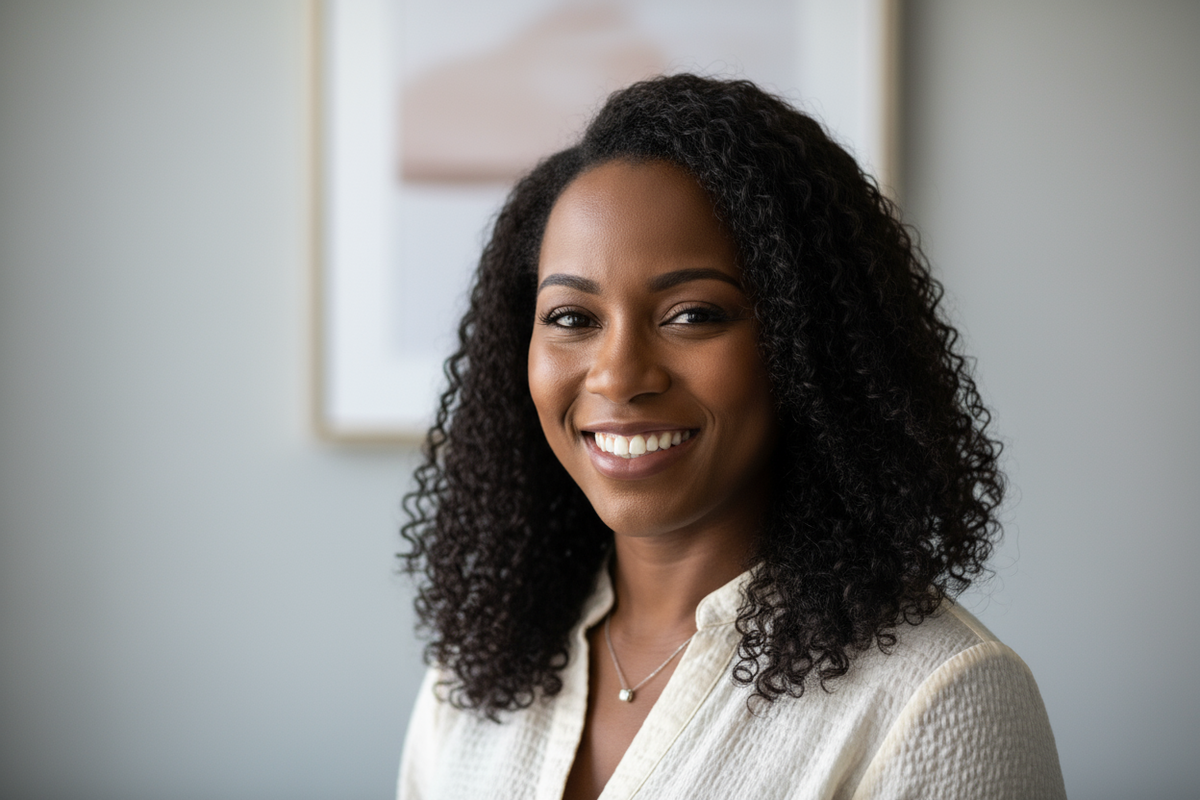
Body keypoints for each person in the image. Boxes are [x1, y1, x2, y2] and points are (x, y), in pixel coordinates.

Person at [396, 74, 1066, 799]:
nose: (618, 377)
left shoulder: (938, 699)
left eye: (693, 315)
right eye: (571, 318)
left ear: (808, 346)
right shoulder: (475, 674)